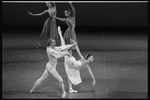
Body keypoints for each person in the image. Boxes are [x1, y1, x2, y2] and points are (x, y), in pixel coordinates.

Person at [29, 27, 77, 98]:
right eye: (53, 42)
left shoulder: (52, 47)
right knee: (60, 80)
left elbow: (61, 48)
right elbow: (58, 55)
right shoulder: (50, 50)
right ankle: (64, 92)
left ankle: (32, 89)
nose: (55, 43)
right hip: (51, 68)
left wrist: (71, 45)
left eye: (55, 42)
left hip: (49, 65)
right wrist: (66, 54)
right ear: (50, 43)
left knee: (41, 78)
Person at [58, 26, 96, 93]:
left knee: (70, 77)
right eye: (91, 58)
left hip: (73, 67)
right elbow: (78, 50)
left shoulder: (87, 66)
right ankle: (60, 33)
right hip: (71, 61)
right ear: (88, 58)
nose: (93, 59)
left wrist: (94, 80)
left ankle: (70, 89)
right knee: (64, 48)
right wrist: (75, 44)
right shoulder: (83, 59)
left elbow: (91, 73)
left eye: (92, 58)